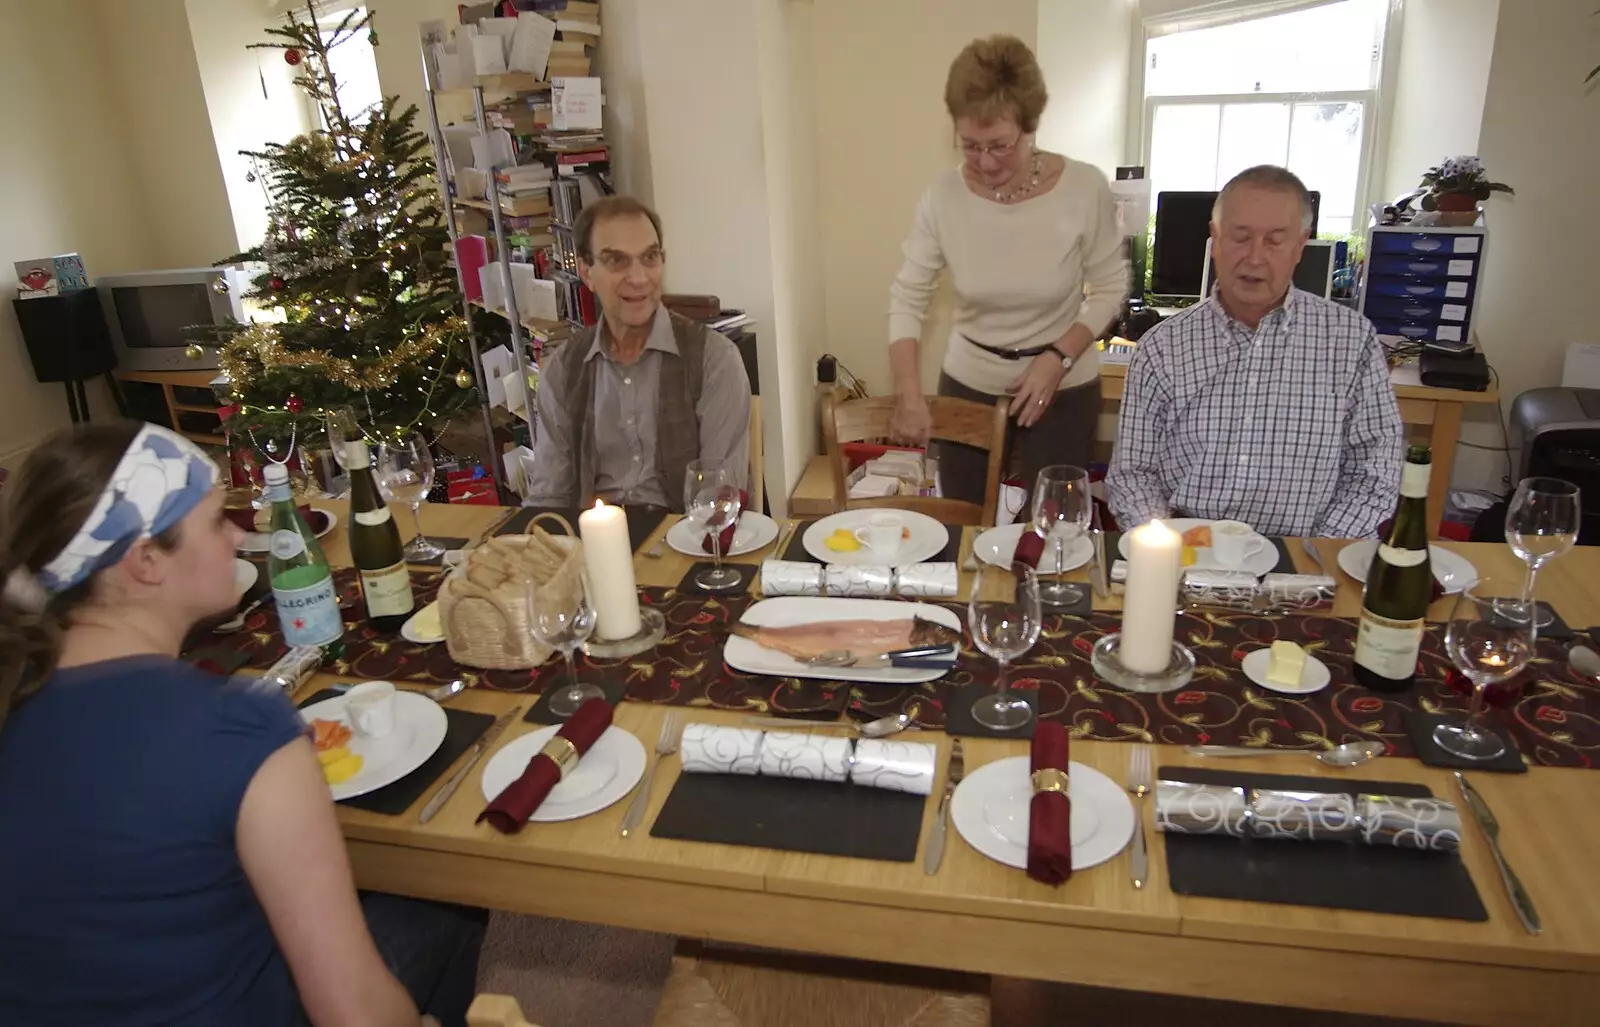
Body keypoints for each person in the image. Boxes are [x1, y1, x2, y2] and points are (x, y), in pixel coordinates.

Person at [0, 421, 485, 1026]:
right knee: (450, 902)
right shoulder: (237, 728)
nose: (238, 533)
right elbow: (351, 1010)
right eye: (212, 521)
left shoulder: (19, 696)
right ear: (145, 560)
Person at [886, 34, 1130, 505]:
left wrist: (1058, 357)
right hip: (969, 378)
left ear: (1031, 126)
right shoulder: (943, 197)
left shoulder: (1083, 188)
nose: (985, 162)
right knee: (963, 521)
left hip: (1062, 380)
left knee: (1053, 526)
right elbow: (907, 297)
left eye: (1000, 144)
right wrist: (909, 393)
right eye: (970, 146)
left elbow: (1109, 287)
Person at [1107, 165, 1403, 538]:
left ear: (1300, 246)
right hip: (1189, 551)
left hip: (1307, 554)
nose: (1255, 257)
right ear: (1214, 240)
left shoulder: (1352, 341)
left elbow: (1374, 473)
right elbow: (1133, 474)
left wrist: (1314, 555)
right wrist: (1171, 546)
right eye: (1240, 237)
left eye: (1275, 241)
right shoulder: (1162, 347)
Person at [525, 195, 752, 511]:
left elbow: (720, 500)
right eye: (616, 260)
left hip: (685, 545)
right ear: (587, 273)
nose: (638, 278)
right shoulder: (563, 371)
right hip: (592, 547)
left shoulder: (714, 360)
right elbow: (550, 497)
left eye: (649, 257)